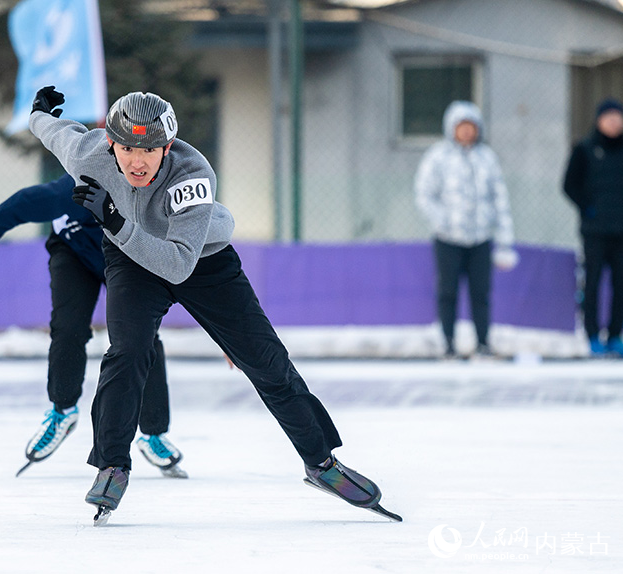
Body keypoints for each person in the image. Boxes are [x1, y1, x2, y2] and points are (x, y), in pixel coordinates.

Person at [28, 86, 400, 524]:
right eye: (127, 147)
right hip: (131, 262)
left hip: (200, 259)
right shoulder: (89, 154)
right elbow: (55, 133)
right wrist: (39, 113)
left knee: (267, 362)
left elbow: (178, 264)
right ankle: (112, 465)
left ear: (167, 147)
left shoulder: (192, 173)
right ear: (110, 142)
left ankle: (321, 463)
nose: (138, 160)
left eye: (150, 149)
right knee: (126, 353)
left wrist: (113, 220)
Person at [0, 175, 188, 478]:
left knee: (142, 334)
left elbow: (196, 260)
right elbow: (23, 204)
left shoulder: (155, 198)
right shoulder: (78, 188)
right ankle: (62, 411)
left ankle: (153, 433)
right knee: (68, 327)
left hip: (125, 256)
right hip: (74, 254)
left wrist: (228, 334)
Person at [414, 100, 517, 359]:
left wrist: (504, 239)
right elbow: (424, 194)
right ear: (452, 128)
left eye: (471, 126)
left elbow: (500, 198)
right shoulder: (438, 157)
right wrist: (443, 221)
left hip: (481, 238)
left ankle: (482, 342)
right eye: (462, 126)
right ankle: (447, 342)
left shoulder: (487, 158)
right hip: (448, 239)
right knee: (447, 292)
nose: (467, 131)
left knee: (480, 293)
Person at [563, 97, 623, 358]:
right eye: (608, 117)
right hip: (595, 231)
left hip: (621, 231)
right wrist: (587, 207)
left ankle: (615, 334)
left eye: (617, 117)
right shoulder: (585, 149)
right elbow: (569, 184)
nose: (613, 122)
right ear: (599, 120)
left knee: (621, 285)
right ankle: (592, 335)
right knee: (593, 283)